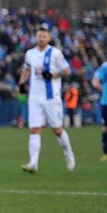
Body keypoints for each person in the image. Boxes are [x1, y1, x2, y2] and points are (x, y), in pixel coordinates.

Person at [18, 25, 75, 173]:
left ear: (48, 38)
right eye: (39, 36)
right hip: (35, 97)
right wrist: (22, 83)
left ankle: (68, 153)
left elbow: (68, 71)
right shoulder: (30, 53)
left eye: (44, 36)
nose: (41, 39)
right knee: (34, 129)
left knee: (56, 129)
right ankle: (33, 163)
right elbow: (26, 69)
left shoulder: (55, 53)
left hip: (51, 98)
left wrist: (54, 75)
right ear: (36, 37)